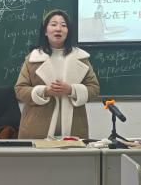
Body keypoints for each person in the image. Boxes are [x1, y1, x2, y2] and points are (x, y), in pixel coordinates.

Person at [14, 10, 100, 139]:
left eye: (63, 25)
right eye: (53, 24)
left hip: (74, 128)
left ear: (68, 31)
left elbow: (94, 88)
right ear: (45, 31)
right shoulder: (33, 58)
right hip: (36, 128)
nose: (58, 29)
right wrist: (44, 91)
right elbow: (20, 89)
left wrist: (71, 90)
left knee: (74, 152)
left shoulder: (81, 57)